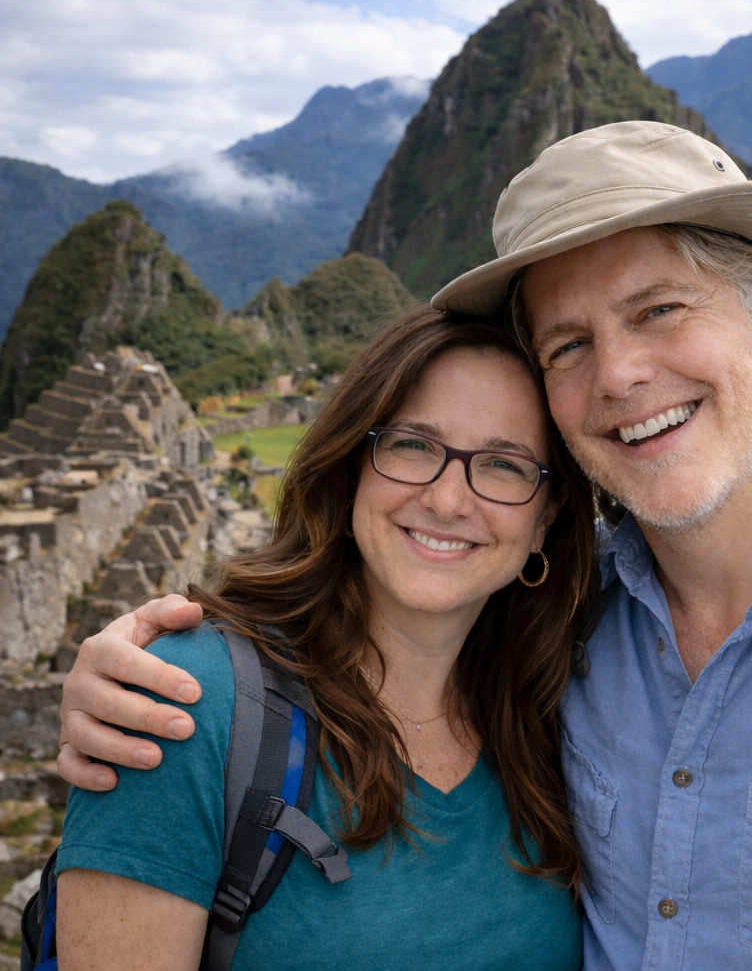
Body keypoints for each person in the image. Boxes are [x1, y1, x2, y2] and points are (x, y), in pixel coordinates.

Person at [58, 122, 752, 970]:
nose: (620, 375)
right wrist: (133, 677)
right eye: (567, 345)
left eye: (658, 310)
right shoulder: (564, 629)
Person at [55, 306, 597, 970]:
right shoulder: (188, 703)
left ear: (545, 521)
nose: (449, 501)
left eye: (504, 465)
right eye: (412, 445)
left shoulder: (564, 712)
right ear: (351, 470)